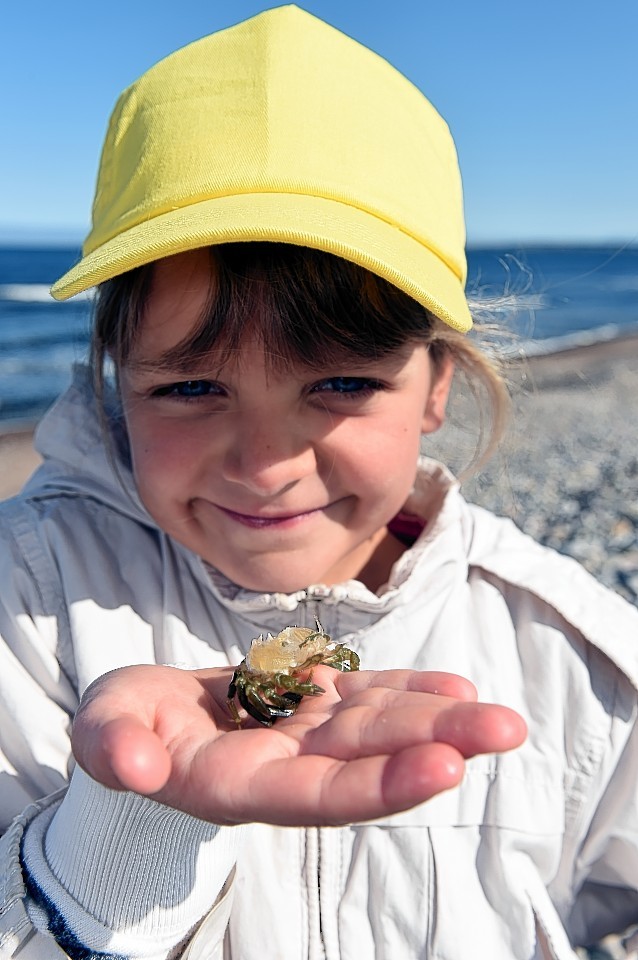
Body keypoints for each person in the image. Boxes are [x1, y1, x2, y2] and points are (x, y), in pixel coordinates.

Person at [1, 6, 637, 959]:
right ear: (112, 380)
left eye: (340, 383)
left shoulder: (572, 655)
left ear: (437, 388)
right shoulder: (25, 607)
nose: (266, 464)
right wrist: (121, 830)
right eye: (190, 387)